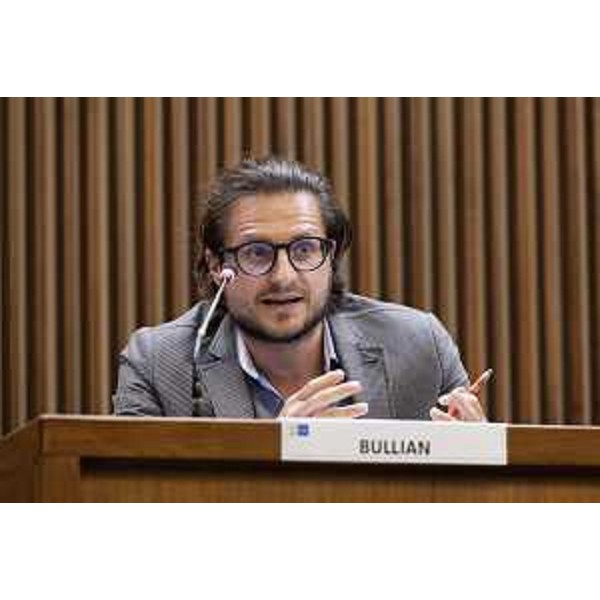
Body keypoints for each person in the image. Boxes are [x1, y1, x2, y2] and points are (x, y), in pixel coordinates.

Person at [114, 157, 486, 422]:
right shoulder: (157, 364)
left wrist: (480, 459)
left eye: (304, 249)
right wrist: (278, 456)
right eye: (256, 253)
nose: (284, 276)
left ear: (330, 257)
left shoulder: (419, 347)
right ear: (216, 266)